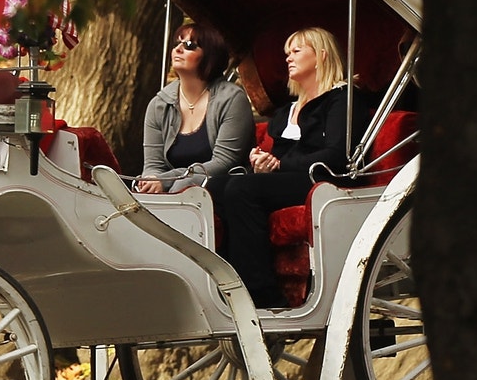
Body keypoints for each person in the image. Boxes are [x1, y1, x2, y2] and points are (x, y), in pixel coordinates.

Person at [213, 26, 364, 309]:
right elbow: (279, 157)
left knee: (242, 189)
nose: (288, 58)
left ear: (320, 55)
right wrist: (263, 161)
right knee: (215, 188)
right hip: (291, 178)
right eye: (287, 53)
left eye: (296, 51)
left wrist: (280, 164)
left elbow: (335, 155)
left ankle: (259, 291)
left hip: (323, 179)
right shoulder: (286, 111)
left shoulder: (341, 99)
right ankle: (226, 282)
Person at [133, 21, 253, 194]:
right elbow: (153, 165)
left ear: (210, 55)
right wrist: (151, 180)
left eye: (189, 45)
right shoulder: (158, 104)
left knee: (183, 188)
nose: (178, 50)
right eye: (177, 44)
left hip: (224, 188)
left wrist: (170, 180)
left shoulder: (232, 99)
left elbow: (224, 162)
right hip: (174, 187)